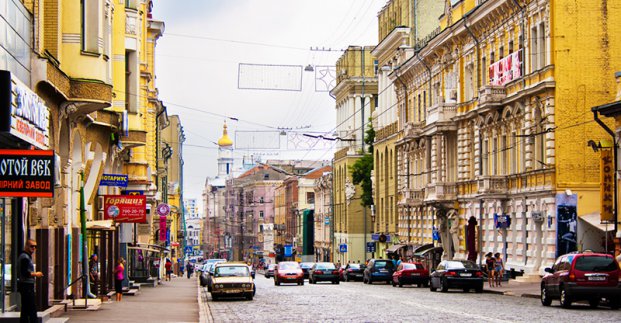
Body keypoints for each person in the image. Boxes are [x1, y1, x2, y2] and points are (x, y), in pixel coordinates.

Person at [17, 239, 44, 323]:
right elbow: (25, 272)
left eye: (35, 246)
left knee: (25, 309)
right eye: (32, 246)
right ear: (26, 246)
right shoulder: (25, 257)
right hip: (26, 285)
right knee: (31, 308)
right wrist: (36, 274)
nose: (34, 248)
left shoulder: (26, 256)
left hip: (26, 285)